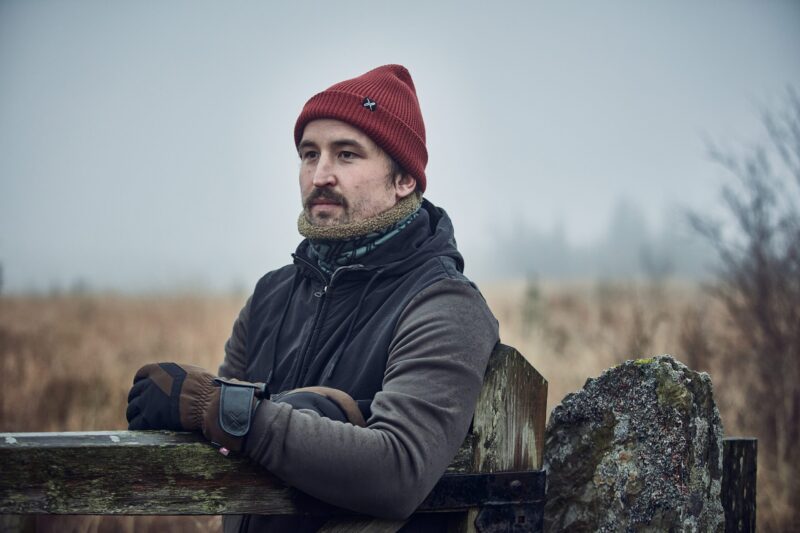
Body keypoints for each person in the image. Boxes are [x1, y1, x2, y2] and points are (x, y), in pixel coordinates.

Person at [126, 64, 499, 532]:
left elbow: (398, 470)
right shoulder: (272, 295)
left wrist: (216, 408)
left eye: (346, 155)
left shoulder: (443, 305)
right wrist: (199, 417)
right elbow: (222, 457)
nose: (320, 175)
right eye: (308, 154)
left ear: (404, 178)